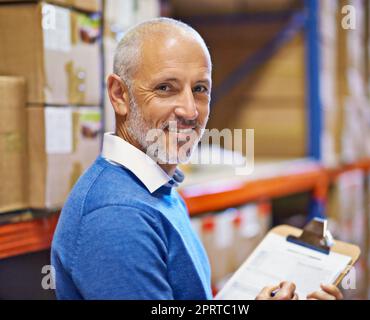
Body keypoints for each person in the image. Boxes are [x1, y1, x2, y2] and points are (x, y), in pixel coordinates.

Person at [51, 17, 342, 300]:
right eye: (166, 88)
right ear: (119, 95)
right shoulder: (116, 216)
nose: (190, 111)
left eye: (200, 89)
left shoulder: (154, 191)